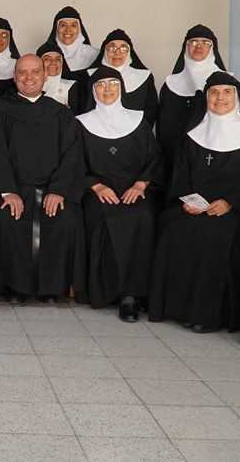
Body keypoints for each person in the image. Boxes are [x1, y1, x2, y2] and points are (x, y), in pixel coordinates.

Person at [148, 72, 240, 332]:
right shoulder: (194, 133)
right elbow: (180, 173)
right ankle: (177, 307)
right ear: (206, 98)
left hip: (236, 209)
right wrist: (186, 200)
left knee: (215, 234)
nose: (220, 98)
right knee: (173, 226)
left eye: (226, 92)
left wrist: (230, 202)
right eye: (214, 92)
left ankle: (208, 315)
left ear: (237, 97)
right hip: (195, 206)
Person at [0, 55, 85, 305]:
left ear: (45, 76)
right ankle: (14, 286)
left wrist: (58, 190)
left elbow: (71, 155)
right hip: (15, 189)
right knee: (8, 219)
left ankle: (51, 286)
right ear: (14, 76)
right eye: (22, 72)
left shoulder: (60, 114)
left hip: (54, 189)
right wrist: (8, 192)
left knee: (66, 220)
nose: (28, 78)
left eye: (34, 72)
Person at [77, 67, 164, 321]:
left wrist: (140, 185)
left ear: (121, 88)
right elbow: (74, 162)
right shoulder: (81, 123)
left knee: (142, 218)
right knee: (101, 218)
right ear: (93, 91)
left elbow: (154, 159)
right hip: (96, 191)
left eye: (113, 84)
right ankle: (106, 290)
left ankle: (132, 294)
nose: (107, 90)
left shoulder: (138, 120)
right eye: (101, 85)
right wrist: (95, 185)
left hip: (133, 189)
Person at [157, 25, 228, 172]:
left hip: (212, 152)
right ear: (186, 47)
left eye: (205, 42)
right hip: (175, 156)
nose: (199, 46)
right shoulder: (170, 84)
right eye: (193, 42)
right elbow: (162, 127)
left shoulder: (227, 84)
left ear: (213, 48)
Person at [83, 29, 157, 123]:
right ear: (104, 51)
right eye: (112, 48)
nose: (117, 53)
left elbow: (151, 110)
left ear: (129, 52)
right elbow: (84, 109)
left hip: (135, 133)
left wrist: (138, 131)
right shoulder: (89, 76)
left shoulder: (145, 77)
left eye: (123, 48)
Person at [46, 6, 98, 73]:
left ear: (79, 29)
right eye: (63, 25)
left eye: (73, 25)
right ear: (56, 29)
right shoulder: (46, 56)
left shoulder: (95, 55)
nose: (68, 30)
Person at [36, 40, 84, 111]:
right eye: (47, 59)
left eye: (58, 59)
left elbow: (75, 115)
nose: (53, 63)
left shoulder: (70, 86)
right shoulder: (30, 85)